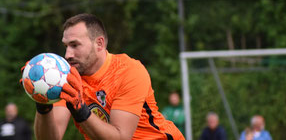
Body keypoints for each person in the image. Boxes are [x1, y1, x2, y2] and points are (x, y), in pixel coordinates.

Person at [33, 13, 184, 139]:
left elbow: (121, 137)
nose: (68, 55)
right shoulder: (66, 77)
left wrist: (80, 110)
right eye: (66, 46)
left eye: (75, 45)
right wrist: (42, 104)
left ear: (99, 43)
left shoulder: (128, 71)